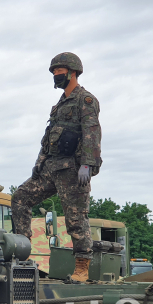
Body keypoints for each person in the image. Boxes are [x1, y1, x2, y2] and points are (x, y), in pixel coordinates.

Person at [11, 52, 102, 282]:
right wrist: (39, 163)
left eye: (59, 71)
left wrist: (87, 165)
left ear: (72, 72)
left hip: (73, 171)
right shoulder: (59, 104)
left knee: (75, 218)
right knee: (20, 197)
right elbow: (49, 137)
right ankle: (22, 254)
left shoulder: (85, 100)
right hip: (51, 168)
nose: (55, 75)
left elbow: (92, 133)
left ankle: (82, 267)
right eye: (53, 71)